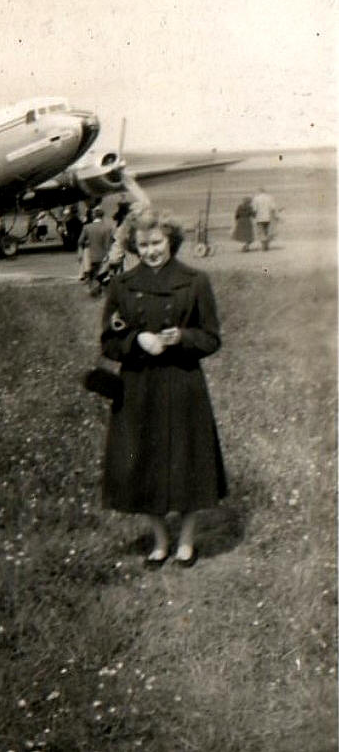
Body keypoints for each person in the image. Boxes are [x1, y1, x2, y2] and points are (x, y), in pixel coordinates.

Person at [100, 208, 227, 568]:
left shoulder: (196, 281)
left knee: (188, 461)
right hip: (139, 387)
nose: (151, 250)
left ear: (171, 240)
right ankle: (159, 542)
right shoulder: (122, 285)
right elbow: (109, 341)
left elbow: (212, 338)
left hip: (183, 382)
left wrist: (182, 337)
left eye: (157, 242)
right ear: (132, 246)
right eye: (143, 244)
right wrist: (137, 340)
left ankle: (186, 542)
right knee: (142, 462)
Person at [78, 207, 112, 295]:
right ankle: (102, 292)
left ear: (93, 216)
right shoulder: (107, 228)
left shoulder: (87, 227)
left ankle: (93, 291)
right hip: (104, 256)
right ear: (102, 216)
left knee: (92, 275)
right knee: (103, 276)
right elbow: (108, 244)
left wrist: (87, 244)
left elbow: (80, 241)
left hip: (91, 256)